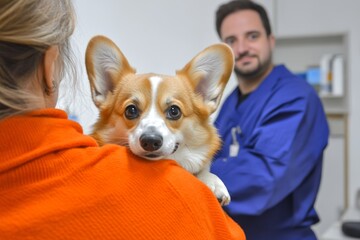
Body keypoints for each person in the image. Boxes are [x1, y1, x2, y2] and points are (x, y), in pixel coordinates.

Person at [0, 1, 246, 239]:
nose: (150, 134)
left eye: (173, 112)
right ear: (49, 67)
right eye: (131, 111)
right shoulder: (184, 201)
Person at [210, 1, 330, 239]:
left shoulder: (295, 98)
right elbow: (207, 153)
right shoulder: (232, 101)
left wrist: (181, 174)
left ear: (270, 40)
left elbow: (262, 179)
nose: (242, 48)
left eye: (252, 36)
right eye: (231, 41)